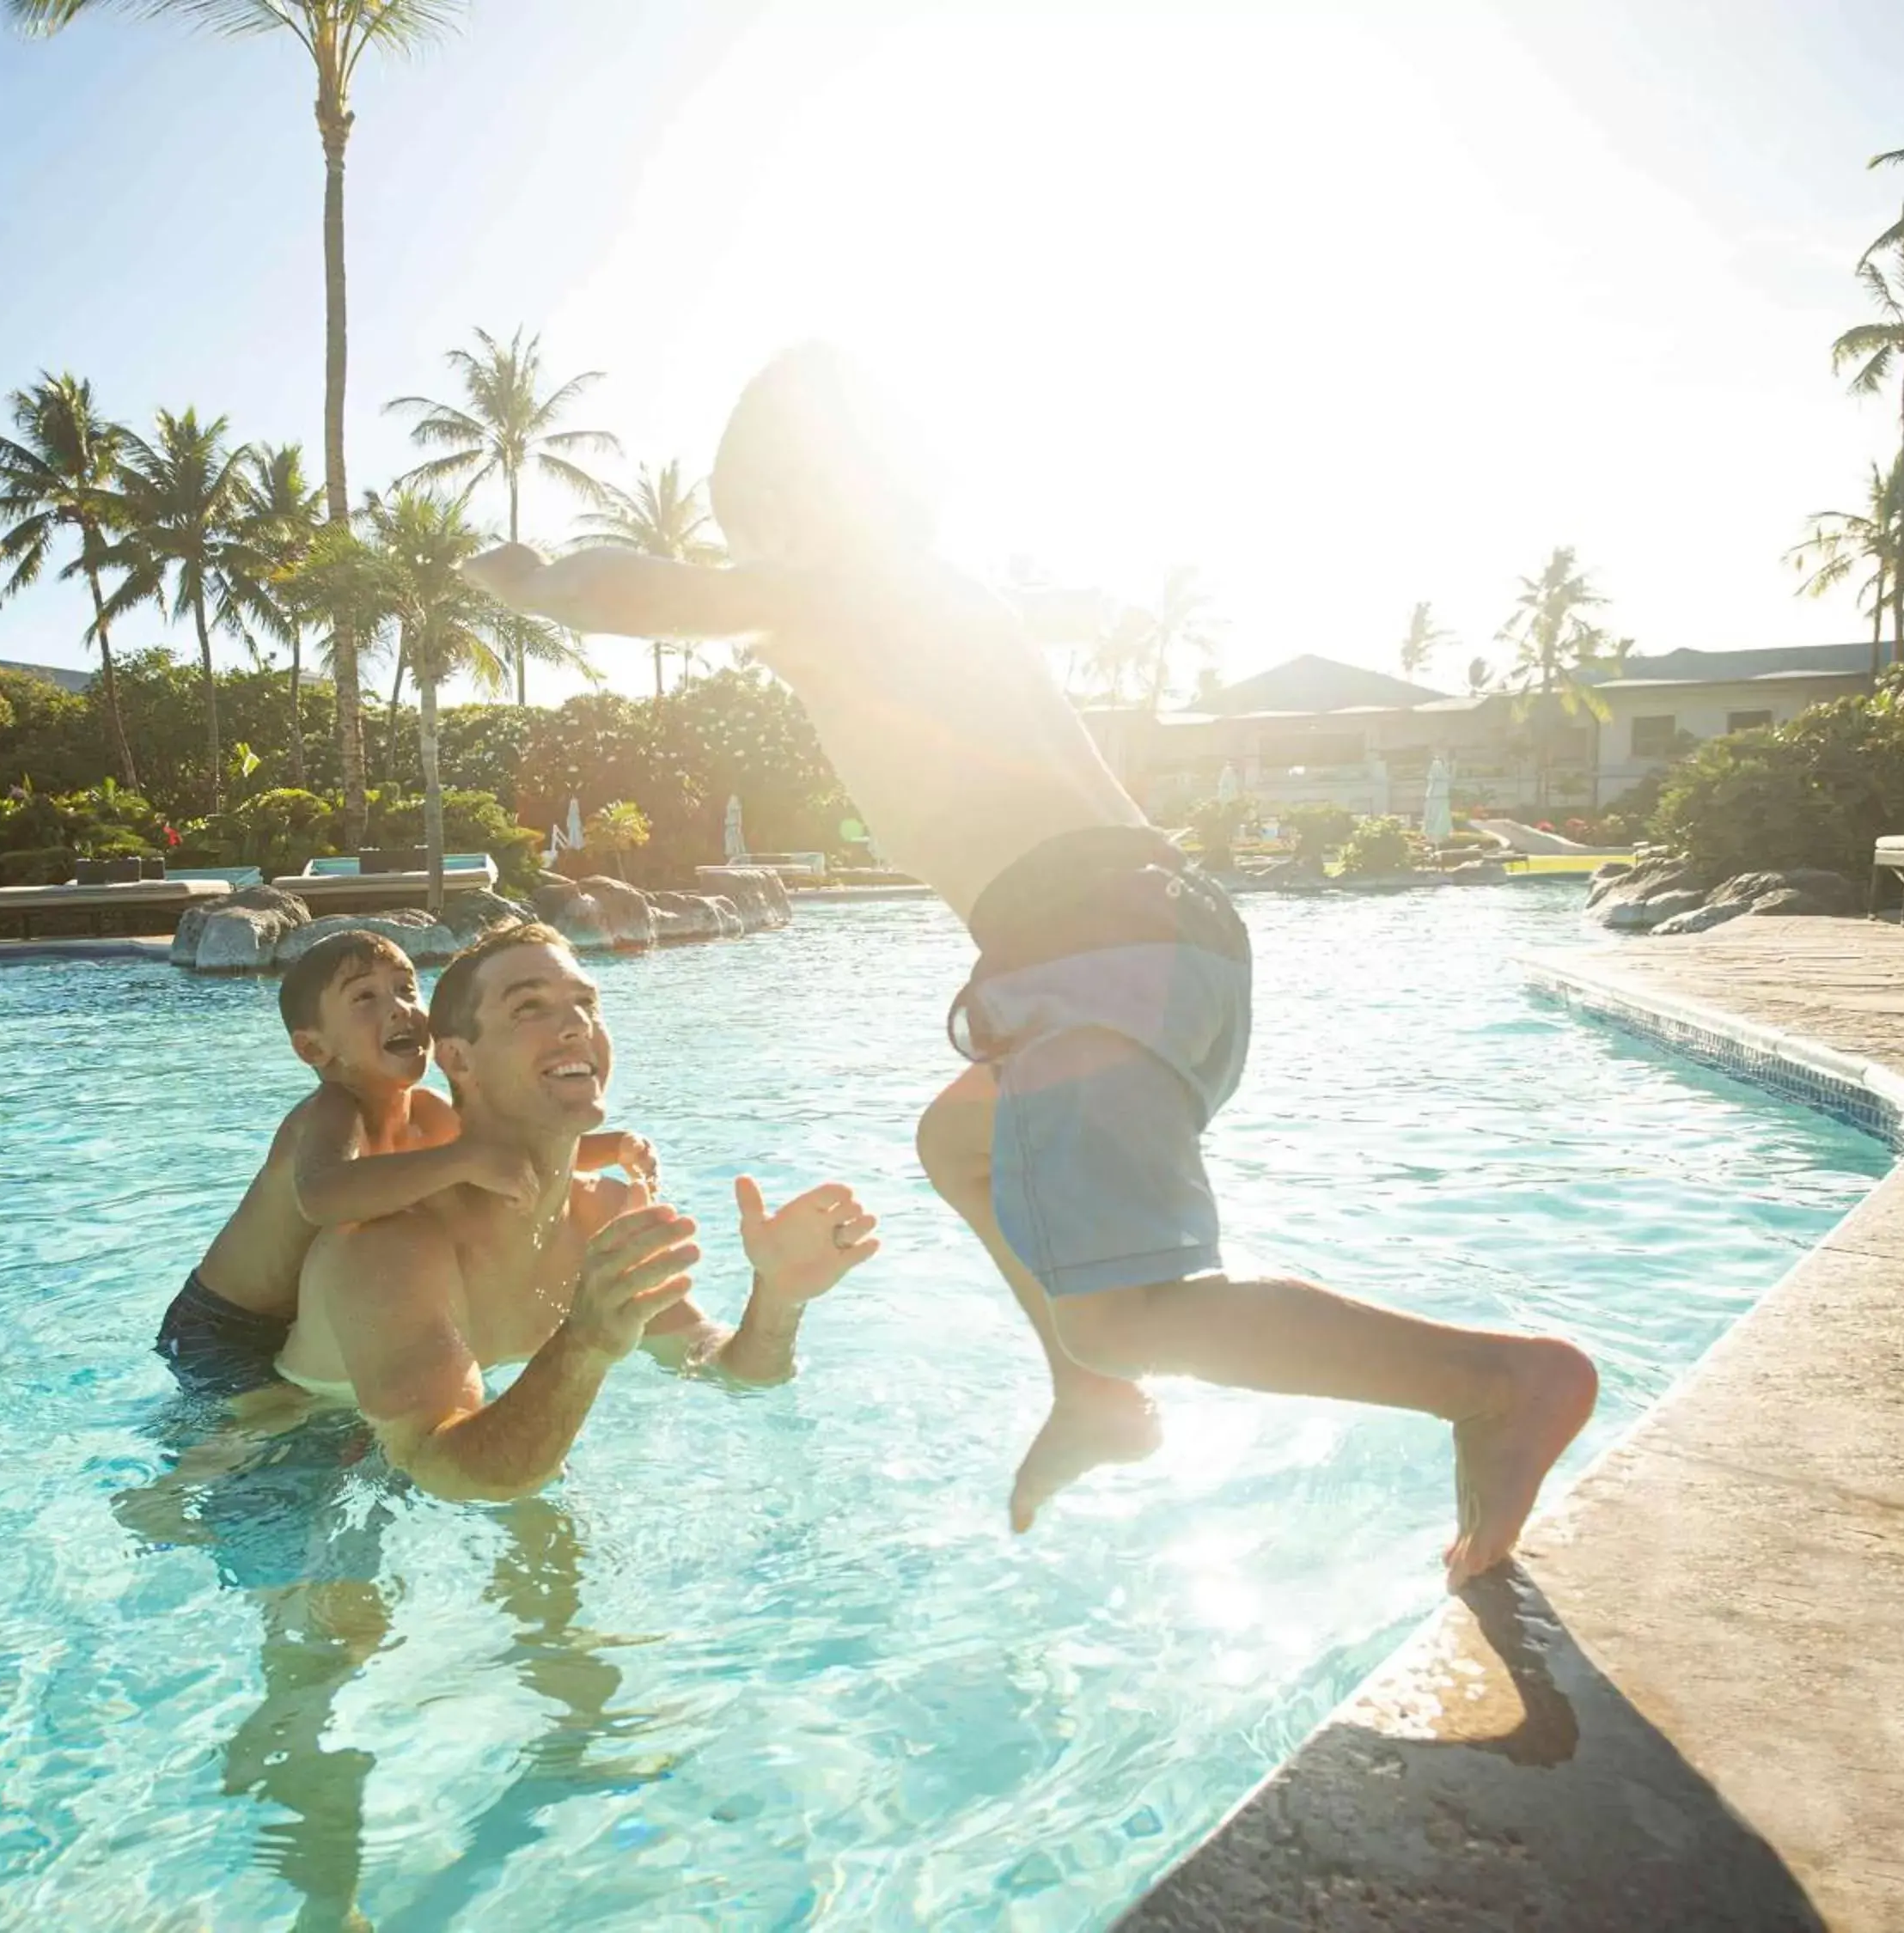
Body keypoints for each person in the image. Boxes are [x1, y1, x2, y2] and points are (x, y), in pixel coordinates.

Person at [461, 347, 1598, 1588]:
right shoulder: (929, 597)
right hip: (1147, 939)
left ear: (802, 503)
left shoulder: (843, 589)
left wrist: (526, 576)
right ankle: (1094, 1394)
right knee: (960, 1144)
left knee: (1130, 1298)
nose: (744, 567)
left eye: (747, 528)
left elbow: (629, 592)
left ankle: (1493, 1381)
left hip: (1096, 945)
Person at [278, 920, 882, 1500]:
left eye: (586, 1004)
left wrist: (777, 1298)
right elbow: (440, 1472)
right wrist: (585, 1345)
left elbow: (725, 1369)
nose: (574, 1026)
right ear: (458, 1060)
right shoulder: (387, 1248)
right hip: (290, 1451)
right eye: (529, 1007)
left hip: (467, 1439)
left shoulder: (607, 1214)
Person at [154, 927, 653, 1398]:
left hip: (321, 1318)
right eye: (365, 998)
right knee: (250, 1438)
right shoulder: (333, 1109)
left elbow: (498, 1157)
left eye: (406, 989)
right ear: (314, 1047)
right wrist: (460, 1160)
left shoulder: (429, 1110)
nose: (398, 1009)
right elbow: (322, 1195)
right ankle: (170, 1490)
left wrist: (612, 1146)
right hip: (225, 1324)